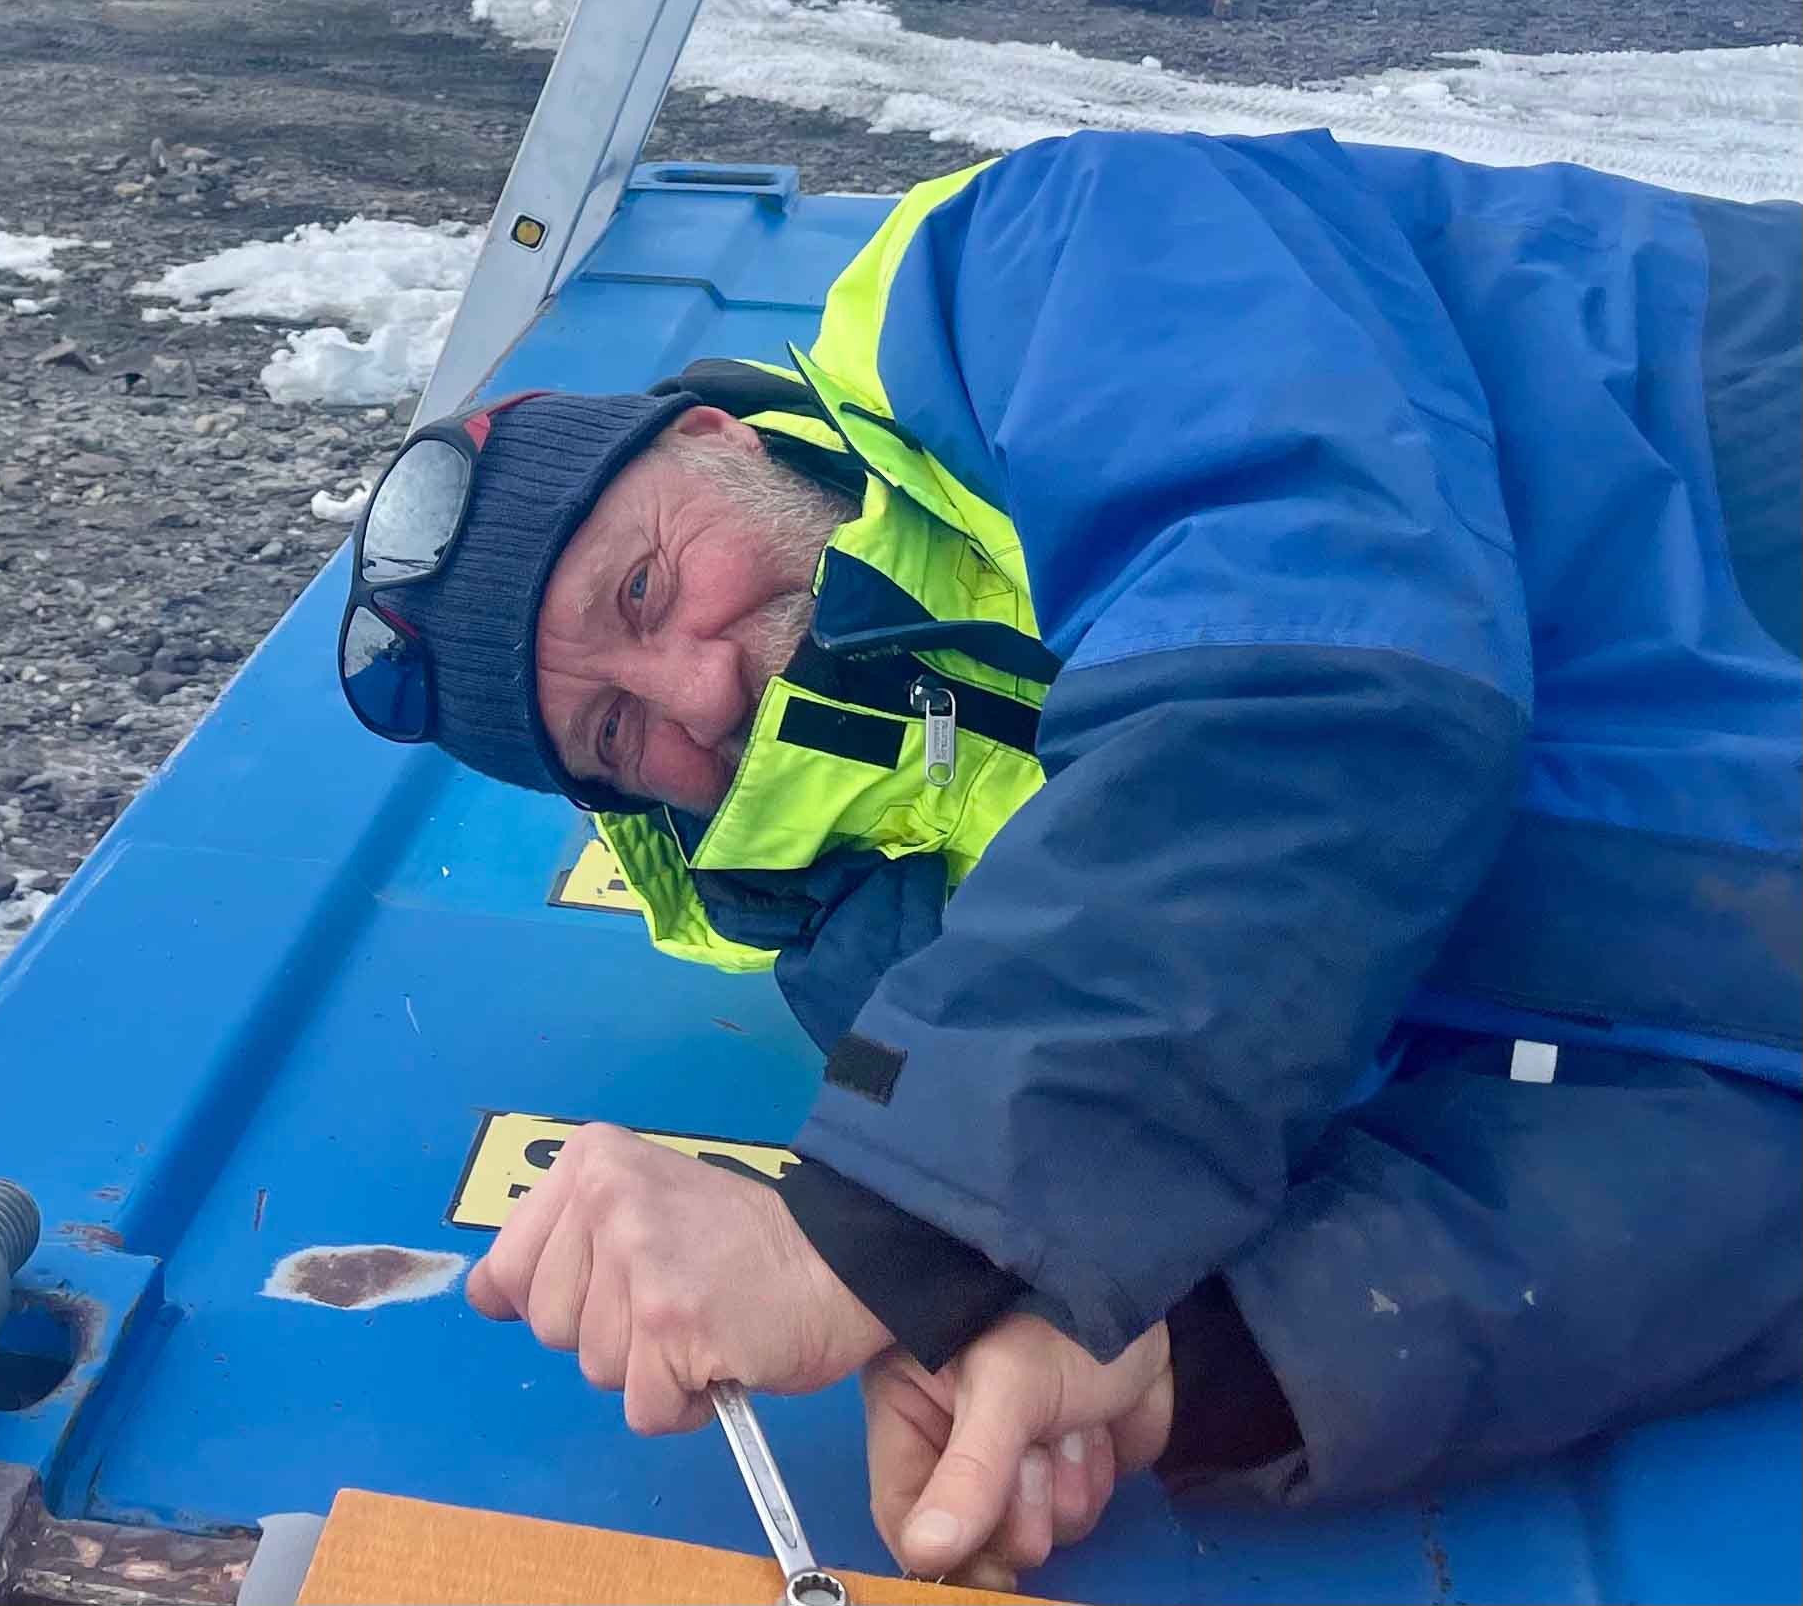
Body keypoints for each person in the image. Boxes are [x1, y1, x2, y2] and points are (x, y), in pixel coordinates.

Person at [336, 130, 1800, 1589]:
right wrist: (1185, 1349)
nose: (693, 692)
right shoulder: (926, 994)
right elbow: (1718, 1183)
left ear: (716, 439)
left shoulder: (1027, 269)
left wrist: (892, 1215)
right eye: (611, 729)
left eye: (644, 588)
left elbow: (1321, 671)